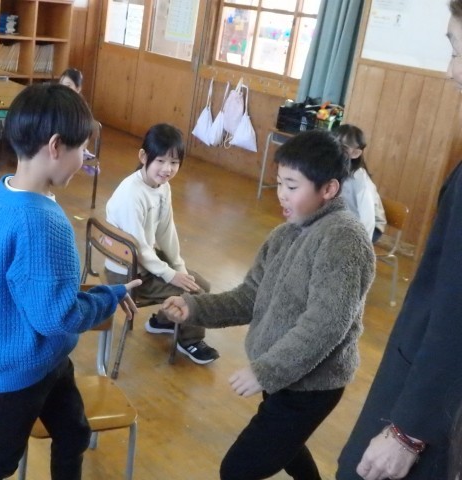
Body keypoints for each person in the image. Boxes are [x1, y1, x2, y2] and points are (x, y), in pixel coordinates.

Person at [163, 129, 375, 480]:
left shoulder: (343, 239)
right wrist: (196, 308)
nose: (282, 194)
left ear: (328, 189)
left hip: (311, 385)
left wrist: (265, 371)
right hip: (282, 372)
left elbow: (325, 326)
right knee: (287, 446)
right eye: (279, 183)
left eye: (292, 186)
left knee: (237, 469)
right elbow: (250, 296)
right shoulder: (286, 233)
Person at [0, 83, 141, 480]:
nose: (84, 159)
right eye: (83, 150)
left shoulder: (2, 192)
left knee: (74, 433)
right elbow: (58, 317)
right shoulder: (45, 223)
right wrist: (107, 297)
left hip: (45, 359)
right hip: (18, 370)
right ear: (56, 146)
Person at [336, 2, 462, 478]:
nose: (450, 71)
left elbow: (454, 315)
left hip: (430, 404)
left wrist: (409, 430)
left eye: (456, 51)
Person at [105, 123, 220, 365]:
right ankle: (189, 340)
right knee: (195, 294)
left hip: (143, 262)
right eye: (160, 161)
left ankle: (162, 321)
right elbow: (138, 248)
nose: (167, 169)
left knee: (201, 284)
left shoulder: (162, 187)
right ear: (143, 156)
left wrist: (179, 267)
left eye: (174, 162)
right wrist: (170, 275)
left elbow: (167, 230)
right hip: (128, 273)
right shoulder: (131, 194)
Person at [334, 124, 387, 243]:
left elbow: (368, 217)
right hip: (344, 221)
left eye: (343, 148)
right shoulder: (333, 168)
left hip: (369, 227)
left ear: (355, 154)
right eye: (334, 144)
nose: (335, 150)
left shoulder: (359, 177)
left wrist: (361, 244)